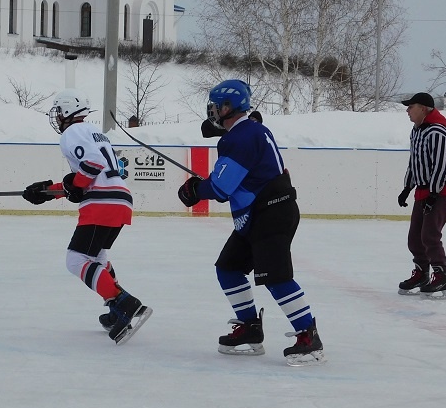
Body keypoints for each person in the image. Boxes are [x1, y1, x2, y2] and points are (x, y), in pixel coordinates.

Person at [177, 79, 323, 366]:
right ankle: (250, 328)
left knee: (276, 277)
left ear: (229, 107)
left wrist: (195, 190)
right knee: (228, 268)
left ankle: (309, 335)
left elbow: (221, 189)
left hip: (271, 213)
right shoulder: (248, 132)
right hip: (257, 214)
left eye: (217, 106)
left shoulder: (240, 138)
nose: (213, 111)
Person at [22, 89, 152, 345]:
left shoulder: (72, 133)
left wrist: (74, 184)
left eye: (59, 111)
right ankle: (117, 309)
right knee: (97, 257)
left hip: (102, 202)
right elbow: (87, 177)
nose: (57, 117)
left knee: (76, 259)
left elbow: (91, 165)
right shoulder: (96, 133)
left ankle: (123, 303)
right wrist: (49, 192)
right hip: (120, 199)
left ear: (70, 111)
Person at [396, 92, 446, 299]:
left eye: (410, 107)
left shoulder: (437, 133)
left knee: (430, 234)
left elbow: (441, 165)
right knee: (415, 237)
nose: (407, 110)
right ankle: (422, 273)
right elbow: (415, 162)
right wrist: (407, 187)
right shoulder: (417, 131)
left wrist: (433, 194)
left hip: (440, 191)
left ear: (423, 108)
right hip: (423, 190)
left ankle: (442, 276)